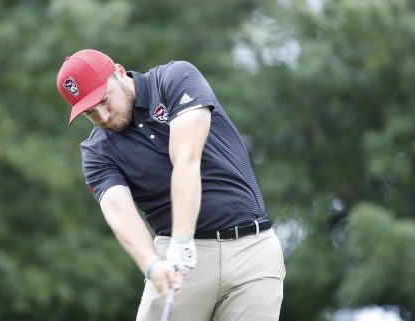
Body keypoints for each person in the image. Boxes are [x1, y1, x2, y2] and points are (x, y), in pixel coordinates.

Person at [56, 49, 286, 321]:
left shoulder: (174, 79)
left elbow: (186, 158)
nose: (104, 116)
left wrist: (182, 237)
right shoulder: (97, 151)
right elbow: (119, 214)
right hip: (175, 265)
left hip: (252, 252)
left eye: (105, 100)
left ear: (119, 72)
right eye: (91, 113)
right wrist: (151, 264)